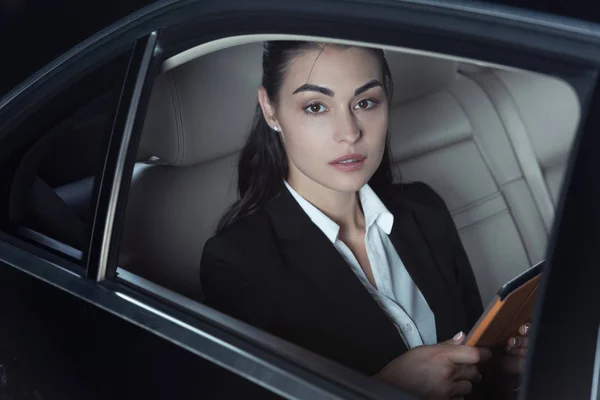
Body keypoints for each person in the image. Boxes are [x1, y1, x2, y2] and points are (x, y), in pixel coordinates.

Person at [200, 41, 530, 399]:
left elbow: (472, 368)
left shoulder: (425, 210)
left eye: (365, 102)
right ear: (270, 109)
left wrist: (503, 370)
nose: (350, 132)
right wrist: (385, 390)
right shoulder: (237, 263)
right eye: (316, 107)